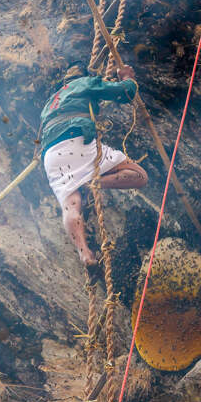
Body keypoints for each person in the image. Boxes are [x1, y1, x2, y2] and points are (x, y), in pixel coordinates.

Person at [40, 62, 148, 266]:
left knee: (70, 205)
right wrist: (127, 77)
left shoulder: (50, 103)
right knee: (139, 176)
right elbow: (126, 93)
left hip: (51, 156)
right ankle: (95, 183)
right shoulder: (83, 83)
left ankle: (85, 253)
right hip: (77, 141)